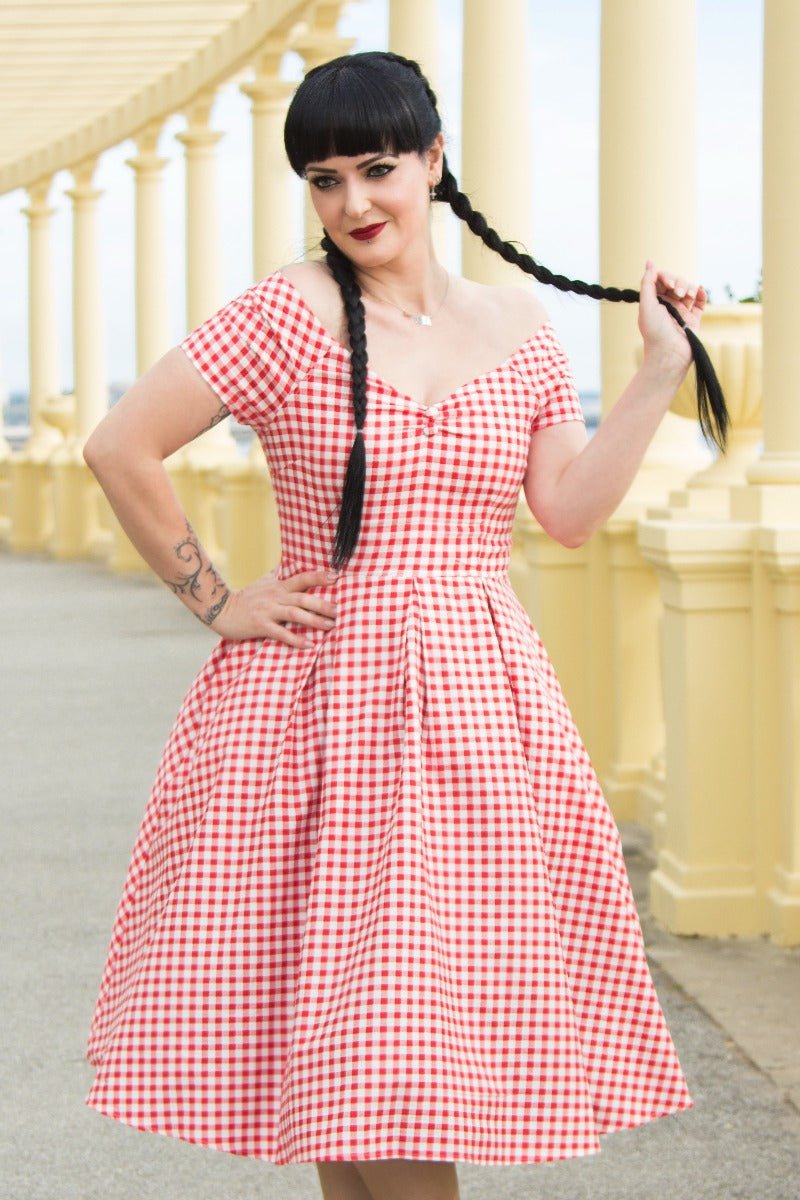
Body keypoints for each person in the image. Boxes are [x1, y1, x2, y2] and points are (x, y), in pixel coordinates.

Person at [82, 50, 725, 1200]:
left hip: (476, 711)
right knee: (356, 1053)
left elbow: (568, 514)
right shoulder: (288, 311)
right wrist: (218, 600)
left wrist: (656, 373)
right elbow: (119, 445)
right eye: (323, 179)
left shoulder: (520, 326)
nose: (352, 203)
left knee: (395, 1054)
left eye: (377, 168)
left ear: (433, 162)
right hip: (316, 705)